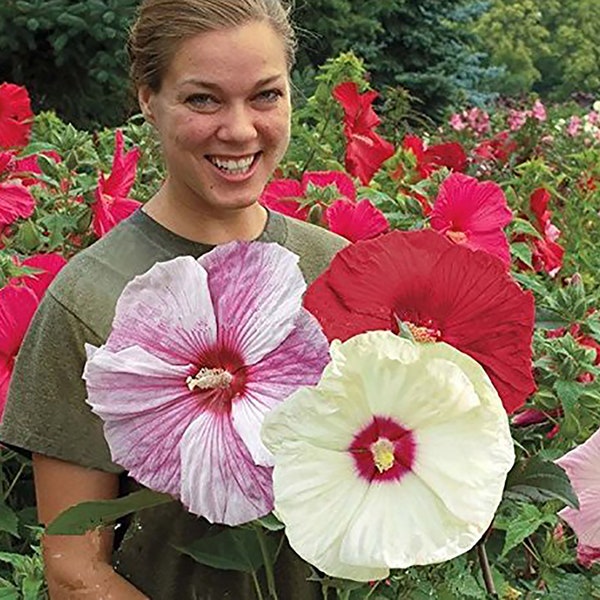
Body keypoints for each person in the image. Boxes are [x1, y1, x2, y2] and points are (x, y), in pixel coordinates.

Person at [0, 1, 348, 598]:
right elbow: (75, 570)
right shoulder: (90, 296)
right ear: (147, 99)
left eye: (265, 95)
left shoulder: (336, 268)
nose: (240, 130)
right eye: (203, 99)